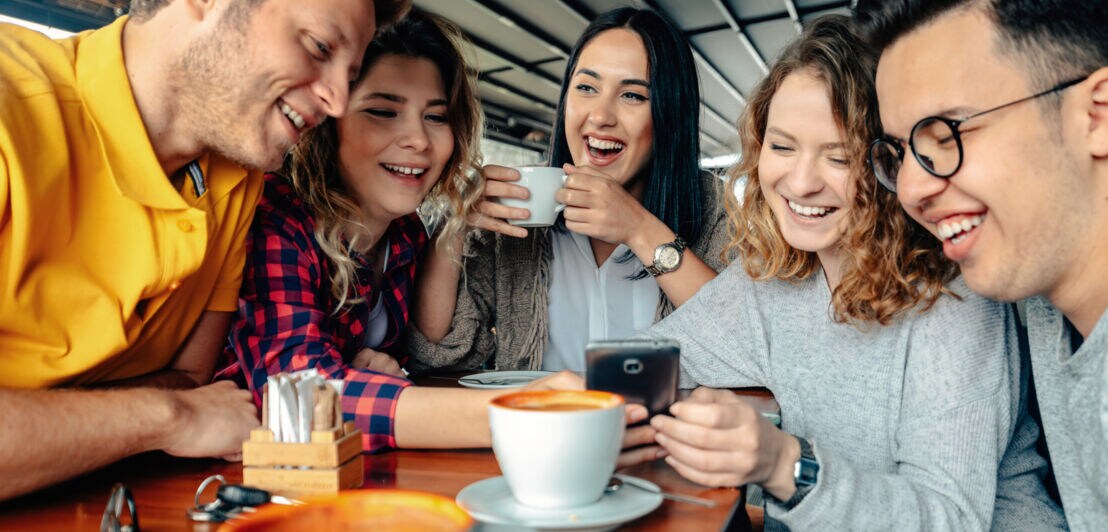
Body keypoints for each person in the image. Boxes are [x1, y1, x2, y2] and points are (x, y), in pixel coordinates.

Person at [631, 15, 1064, 530]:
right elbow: (657, 359)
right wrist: (586, 392)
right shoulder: (774, 279)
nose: (801, 181)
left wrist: (783, 463)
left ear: (890, 164)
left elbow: (947, 517)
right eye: (783, 146)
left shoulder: (954, 299)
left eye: (837, 156)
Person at [0, 0, 408, 500]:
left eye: (350, 74)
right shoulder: (11, 104)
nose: (338, 102)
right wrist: (169, 417)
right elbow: (189, 404)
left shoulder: (238, 177)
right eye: (318, 46)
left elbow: (192, 378)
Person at [216, 11, 639, 454]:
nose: (418, 139)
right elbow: (297, 398)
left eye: (436, 118)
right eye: (383, 112)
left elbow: (417, 360)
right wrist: (523, 410)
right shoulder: (279, 216)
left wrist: (385, 368)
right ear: (328, 119)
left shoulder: (406, 235)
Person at [855, 1, 1108, 528]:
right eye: (900, 154)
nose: (910, 190)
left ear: (1097, 116)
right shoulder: (1041, 300)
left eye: (947, 135)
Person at [408, 7, 731, 373]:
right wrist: (457, 225)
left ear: (671, 112)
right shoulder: (518, 215)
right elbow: (435, 350)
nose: (600, 116)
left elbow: (740, 346)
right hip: (545, 428)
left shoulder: (714, 208)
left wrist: (639, 230)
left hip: (663, 430)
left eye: (633, 96)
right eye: (587, 88)